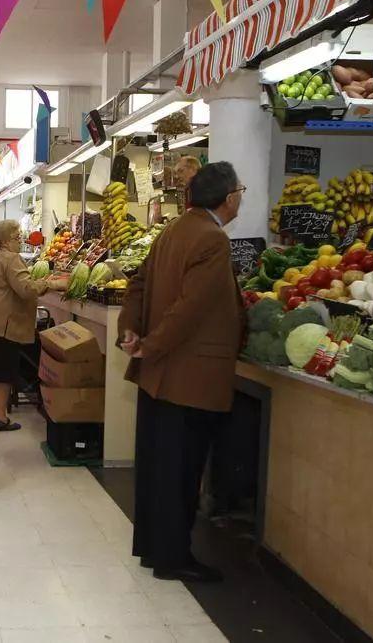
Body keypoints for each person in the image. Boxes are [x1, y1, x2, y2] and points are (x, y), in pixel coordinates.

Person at [118, 161, 245, 584]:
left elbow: (136, 285)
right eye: (240, 191)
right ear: (229, 198)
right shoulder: (212, 239)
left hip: (159, 374)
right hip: (189, 376)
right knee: (182, 471)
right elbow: (191, 309)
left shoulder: (173, 230)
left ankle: (154, 549)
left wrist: (131, 332)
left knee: (158, 469)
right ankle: (173, 558)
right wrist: (150, 344)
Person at [0, 219, 67, 431]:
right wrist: (51, 283)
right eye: (17, 237)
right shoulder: (11, 258)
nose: (20, 241)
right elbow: (26, 289)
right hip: (2, 324)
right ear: (5, 241)